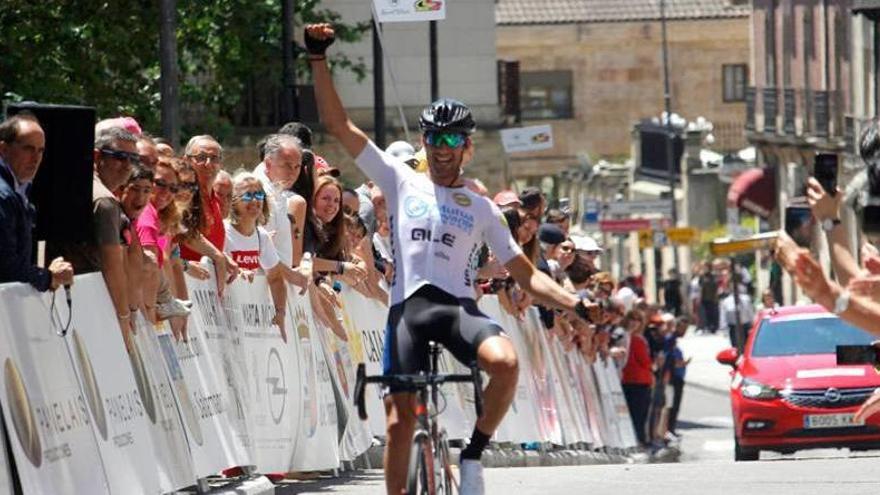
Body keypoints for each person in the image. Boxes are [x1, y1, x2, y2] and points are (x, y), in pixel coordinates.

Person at [306, 22, 600, 495]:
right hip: (409, 311)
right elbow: (340, 126)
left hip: (460, 310)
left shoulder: (482, 208)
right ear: (423, 144)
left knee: (504, 364)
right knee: (400, 423)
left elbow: (525, 275)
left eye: (451, 142)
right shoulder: (400, 181)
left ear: (466, 146)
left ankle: (472, 455)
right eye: (433, 141)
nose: (441, 151)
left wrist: (574, 303)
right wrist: (318, 58)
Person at [0, 113, 74, 291]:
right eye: (28, 149)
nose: (36, 158)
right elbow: (5, 267)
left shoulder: (20, 190)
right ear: (3, 149)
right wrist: (49, 277)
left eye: (40, 150)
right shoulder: (4, 196)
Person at [224, 172, 289, 341]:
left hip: (247, 324)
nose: (255, 201)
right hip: (224, 318)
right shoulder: (223, 232)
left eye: (259, 194)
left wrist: (280, 312)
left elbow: (275, 277)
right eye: (247, 195)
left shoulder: (262, 236)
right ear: (234, 201)